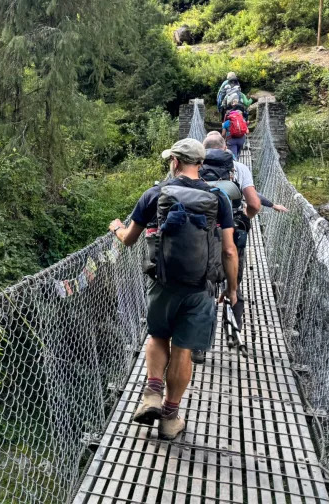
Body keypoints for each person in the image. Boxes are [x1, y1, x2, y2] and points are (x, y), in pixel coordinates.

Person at [109, 138, 238, 440]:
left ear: (175, 162)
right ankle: (170, 419)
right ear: (201, 164)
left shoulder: (155, 194)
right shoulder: (219, 198)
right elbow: (230, 251)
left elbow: (128, 239)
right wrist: (232, 289)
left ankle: (152, 392)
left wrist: (116, 227)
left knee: (157, 336)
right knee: (182, 350)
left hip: (163, 282)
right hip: (201, 287)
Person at [196, 131, 261, 362]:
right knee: (232, 285)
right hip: (231, 235)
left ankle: (200, 347)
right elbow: (254, 204)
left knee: (204, 288)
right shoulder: (238, 168)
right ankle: (234, 331)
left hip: (200, 237)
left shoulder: (196, 165)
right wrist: (243, 217)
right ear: (225, 148)